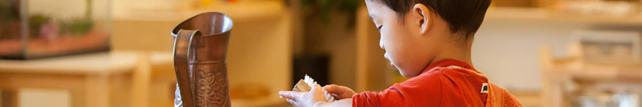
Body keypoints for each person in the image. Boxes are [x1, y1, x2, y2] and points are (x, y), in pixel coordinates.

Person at [279, 0, 523, 106]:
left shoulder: (438, 86)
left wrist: (316, 103)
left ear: (420, 19)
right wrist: (356, 99)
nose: (381, 43)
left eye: (380, 26)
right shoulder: (488, 93)